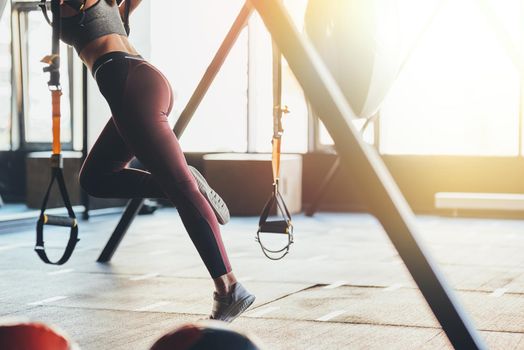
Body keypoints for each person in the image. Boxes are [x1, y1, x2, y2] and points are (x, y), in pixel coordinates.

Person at [56, 0, 255, 321]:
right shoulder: (115, 7)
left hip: (127, 84)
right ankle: (185, 182)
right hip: (142, 80)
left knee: (180, 188)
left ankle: (229, 287)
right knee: (96, 178)